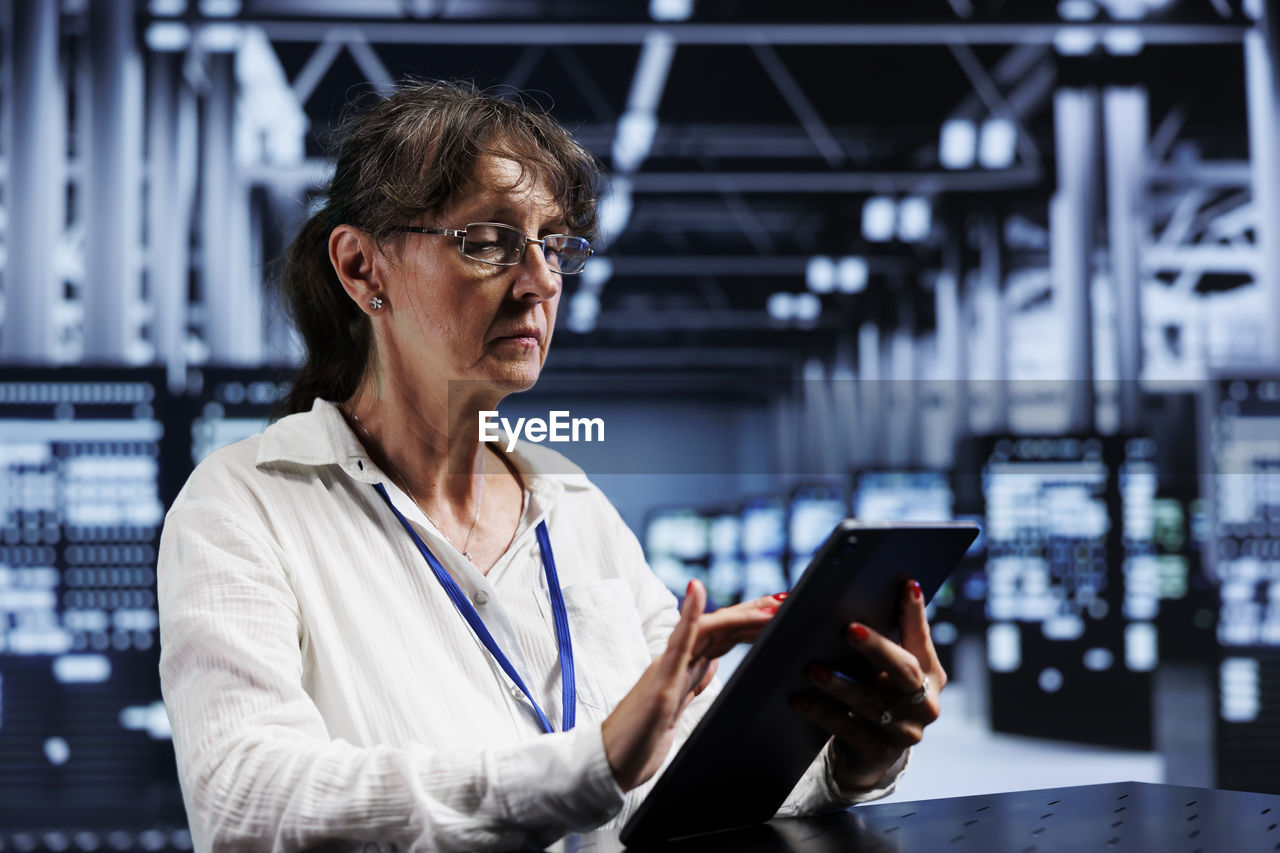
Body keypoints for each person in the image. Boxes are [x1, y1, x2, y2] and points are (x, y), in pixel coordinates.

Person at [157, 80, 946, 852]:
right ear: (364, 268)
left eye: (554, 243)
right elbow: (247, 801)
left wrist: (848, 760)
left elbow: (679, 781)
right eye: (489, 241)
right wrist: (587, 762)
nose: (538, 282)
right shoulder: (245, 505)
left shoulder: (571, 505)